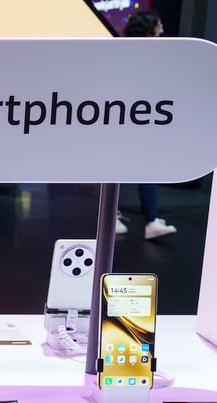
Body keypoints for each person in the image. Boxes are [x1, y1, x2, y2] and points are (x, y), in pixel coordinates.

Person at [116, 10, 177, 240]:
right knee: (114, 168)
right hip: (122, 116)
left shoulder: (153, 54)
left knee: (146, 166)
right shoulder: (129, 53)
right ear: (150, 29)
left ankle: (151, 220)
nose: (163, 29)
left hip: (143, 116)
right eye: (159, 25)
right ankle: (112, 216)